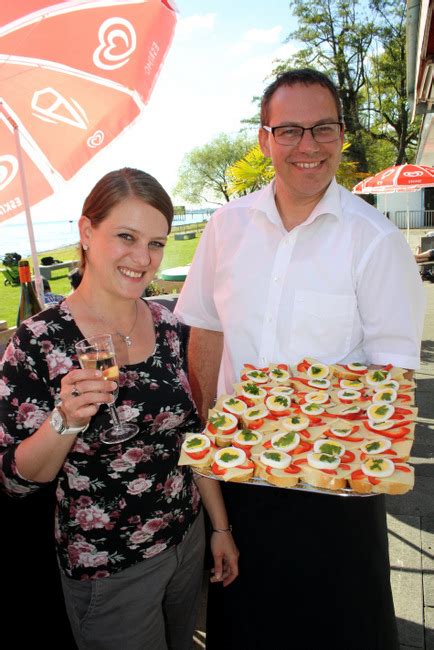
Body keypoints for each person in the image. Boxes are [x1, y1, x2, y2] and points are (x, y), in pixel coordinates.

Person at [174, 70, 426, 650]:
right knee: (245, 629)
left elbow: (391, 381)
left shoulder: (376, 240)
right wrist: (210, 449)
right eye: (289, 130)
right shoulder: (224, 226)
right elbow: (206, 336)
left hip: (333, 491)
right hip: (238, 479)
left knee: (342, 631)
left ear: (342, 135)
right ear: (264, 140)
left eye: (323, 128)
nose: (307, 145)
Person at [0, 168, 238, 650]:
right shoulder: (38, 342)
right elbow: (17, 477)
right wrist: (65, 420)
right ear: (86, 232)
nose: (142, 258)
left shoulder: (168, 324)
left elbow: (192, 438)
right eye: (126, 237)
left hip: (186, 541)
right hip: (108, 570)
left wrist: (220, 528)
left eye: (156, 243)